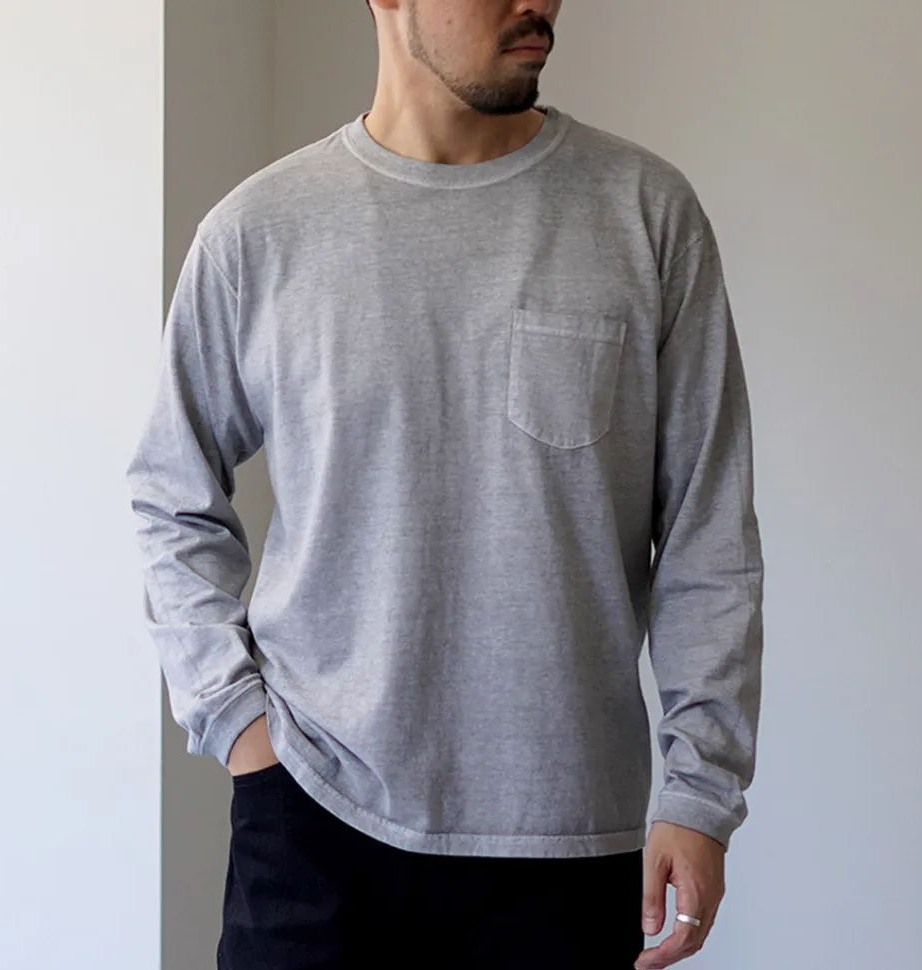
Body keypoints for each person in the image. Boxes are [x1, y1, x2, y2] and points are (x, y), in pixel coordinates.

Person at [124, 1, 764, 968]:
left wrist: (702, 789)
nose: (539, 1)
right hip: (311, 822)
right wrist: (239, 723)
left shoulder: (644, 214)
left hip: (566, 847)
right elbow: (171, 494)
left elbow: (708, 529)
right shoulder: (259, 233)